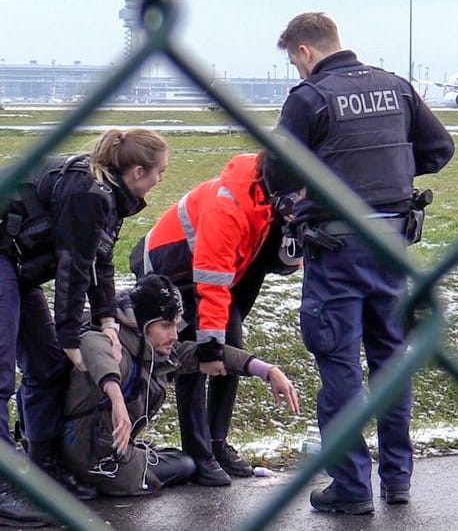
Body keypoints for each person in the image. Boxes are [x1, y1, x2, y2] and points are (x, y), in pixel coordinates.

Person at [268, 12, 455, 515]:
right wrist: (388, 170)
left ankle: (351, 487)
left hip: (336, 250)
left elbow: (275, 169)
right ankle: (397, 480)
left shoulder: (310, 98)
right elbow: (440, 149)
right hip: (392, 246)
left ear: (305, 51)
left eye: (294, 61)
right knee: (391, 362)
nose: (297, 70)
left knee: (340, 367)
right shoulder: (395, 87)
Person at [0, 129, 168, 521]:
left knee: (47, 366)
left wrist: (107, 320)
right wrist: (71, 336)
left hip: (17, 264)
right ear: (138, 170)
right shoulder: (88, 194)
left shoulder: (111, 197)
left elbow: (100, 261)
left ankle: (42, 471)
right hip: (3, 258)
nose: (161, 179)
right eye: (159, 171)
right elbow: (73, 268)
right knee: (1, 374)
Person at [129, 152, 300, 486]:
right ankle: (198, 451)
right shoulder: (229, 206)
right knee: (196, 357)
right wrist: (210, 348)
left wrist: (293, 238)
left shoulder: (267, 196)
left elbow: (265, 265)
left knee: (231, 347)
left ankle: (217, 443)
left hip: (216, 275)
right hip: (172, 267)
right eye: (299, 196)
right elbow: (211, 282)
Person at [61, 273, 299, 497]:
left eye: (175, 325)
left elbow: (204, 354)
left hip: (106, 447)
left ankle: (128, 462)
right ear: (142, 325)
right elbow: (95, 347)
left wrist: (268, 371)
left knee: (182, 461)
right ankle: (85, 479)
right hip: (89, 453)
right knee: (180, 467)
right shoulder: (115, 346)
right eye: (165, 326)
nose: (174, 334)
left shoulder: (152, 351)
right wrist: (115, 396)